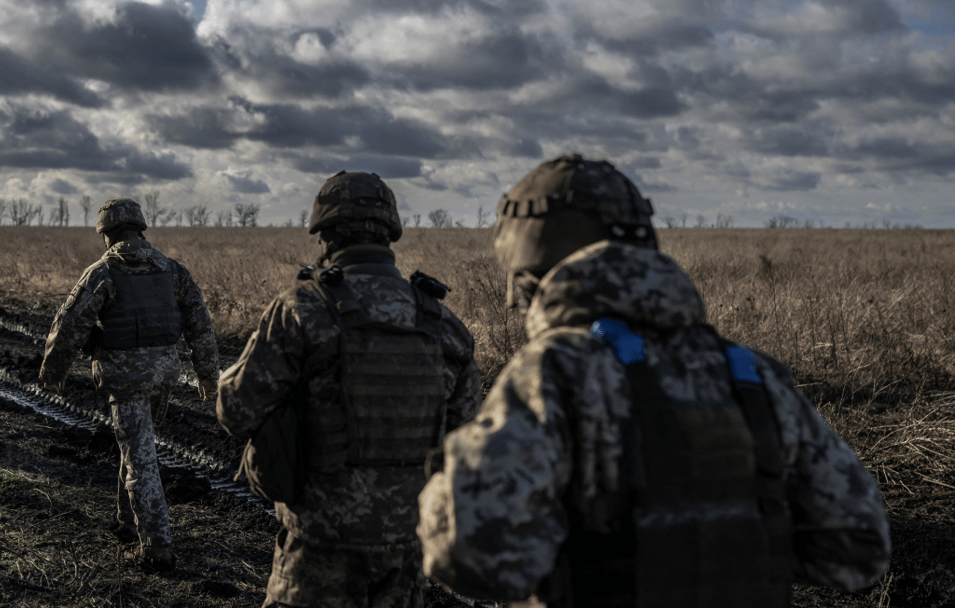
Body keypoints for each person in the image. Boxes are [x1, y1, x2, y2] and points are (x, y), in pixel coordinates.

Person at [417, 154, 891, 607]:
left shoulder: (556, 370)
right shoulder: (750, 372)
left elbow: (469, 552)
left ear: (527, 271)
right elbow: (858, 548)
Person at [217, 171, 482, 608]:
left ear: (325, 235)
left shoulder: (301, 308)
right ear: (390, 233)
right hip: (407, 544)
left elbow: (235, 410)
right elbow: (466, 438)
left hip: (321, 541)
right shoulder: (444, 325)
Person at [38, 198, 220, 573]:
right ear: (140, 229)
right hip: (165, 377)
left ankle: (156, 547)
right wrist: (207, 376)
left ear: (106, 235)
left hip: (124, 378)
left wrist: (52, 372)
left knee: (140, 458)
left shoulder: (101, 272)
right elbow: (201, 326)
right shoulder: (173, 270)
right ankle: (125, 522)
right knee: (136, 445)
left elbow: (69, 325)